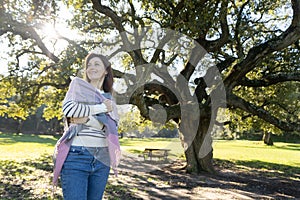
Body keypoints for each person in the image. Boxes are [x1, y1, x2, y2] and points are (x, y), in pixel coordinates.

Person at [53, 53, 121, 200]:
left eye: (96, 64)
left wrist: (86, 119)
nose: (91, 67)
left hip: (102, 158)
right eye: (89, 65)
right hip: (77, 155)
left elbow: (113, 127)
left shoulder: (109, 97)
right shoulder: (78, 86)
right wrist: (100, 109)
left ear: (106, 70)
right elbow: (69, 110)